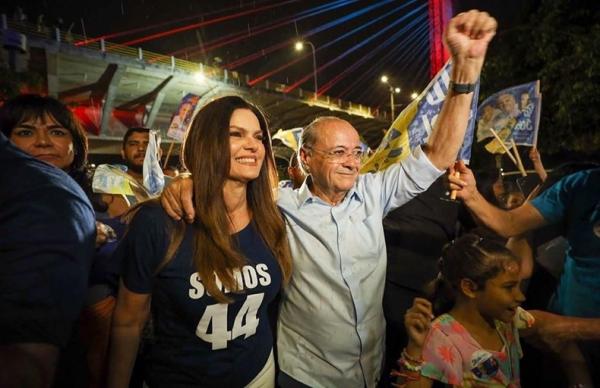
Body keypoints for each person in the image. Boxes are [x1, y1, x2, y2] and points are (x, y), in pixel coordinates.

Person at [160, 10, 497, 387]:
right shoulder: (276, 205)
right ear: (306, 159)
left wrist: (465, 73)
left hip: (370, 370)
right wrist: (185, 184)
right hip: (304, 376)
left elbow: (437, 154)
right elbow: (224, 191)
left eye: (356, 152)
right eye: (338, 153)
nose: (352, 163)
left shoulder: (374, 192)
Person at [107, 96, 293, 388]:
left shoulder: (272, 220)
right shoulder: (159, 222)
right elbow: (128, 321)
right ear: (206, 142)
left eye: (258, 137)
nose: (253, 145)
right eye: (236, 134)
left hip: (258, 374)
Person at [450, 162, 600, 385]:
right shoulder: (584, 184)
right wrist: (471, 194)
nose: (518, 297)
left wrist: (572, 328)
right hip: (558, 347)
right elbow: (510, 224)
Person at [0, 101, 96, 387]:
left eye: (56, 132)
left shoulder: (108, 197)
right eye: (26, 132)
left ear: (74, 145)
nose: (43, 141)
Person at [396, 234, 533, 387]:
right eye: (509, 287)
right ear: (469, 288)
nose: (521, 296)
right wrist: (415, 348)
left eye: (519, 286)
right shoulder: (441, 337)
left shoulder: (508, 319)